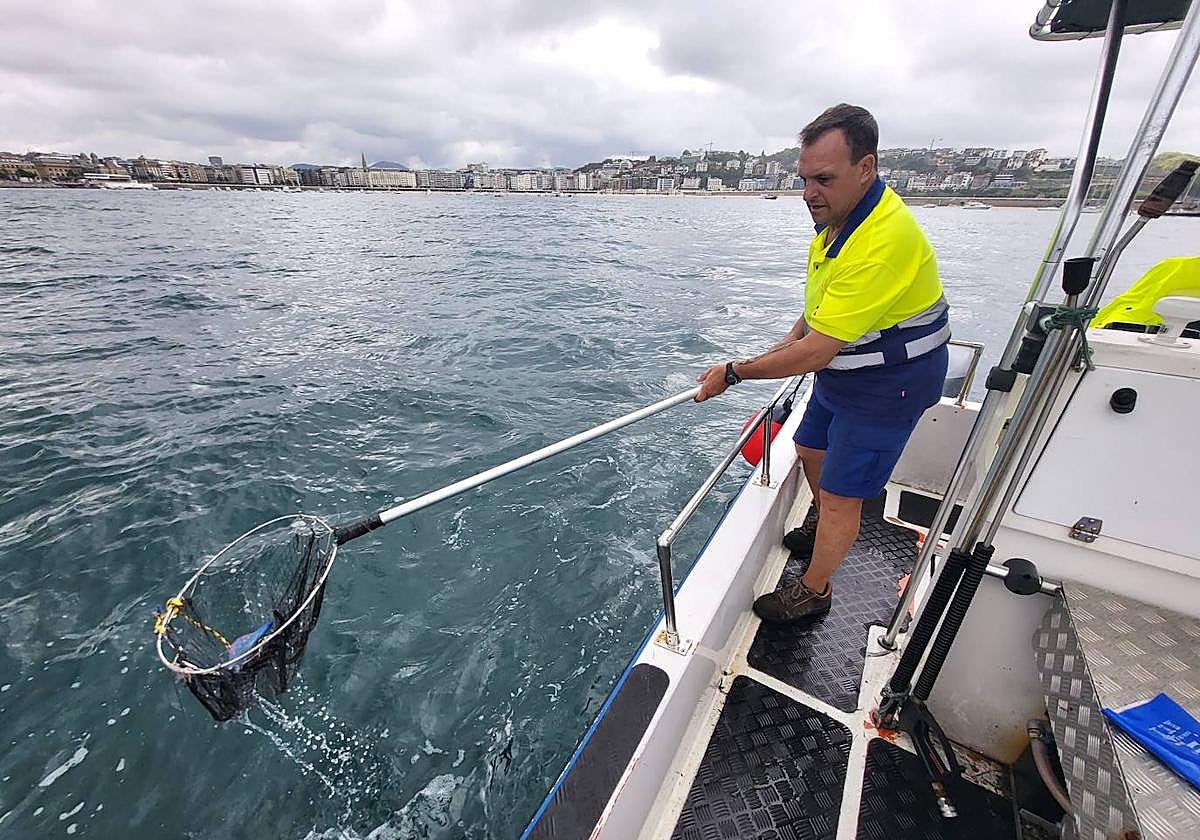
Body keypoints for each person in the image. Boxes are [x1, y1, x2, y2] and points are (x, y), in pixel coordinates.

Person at [694, 103, 949, 623]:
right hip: (845, 371)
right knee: (809, 445)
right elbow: (819, 313)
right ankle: (823, 519)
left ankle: (815, 590)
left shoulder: (881, 241)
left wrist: (735, 372)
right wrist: (777, 349)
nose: (810, 193)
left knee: (840, 496)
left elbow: (815, 350)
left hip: (889, 386)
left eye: (824, 179)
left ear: (866, 167)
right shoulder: (840, 220)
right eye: (805, 179)